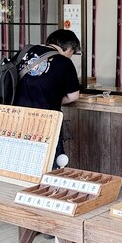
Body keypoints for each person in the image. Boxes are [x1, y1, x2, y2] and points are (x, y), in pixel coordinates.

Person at [14, 29, 82, 169]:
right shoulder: (64, 62)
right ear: (68, 47)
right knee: (51, 165)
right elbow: (73, 96)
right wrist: (55, 98)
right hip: (46, 121)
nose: (71, 55)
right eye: (72, 52)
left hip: (17, 119)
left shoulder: (24, 53)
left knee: (23, 165)